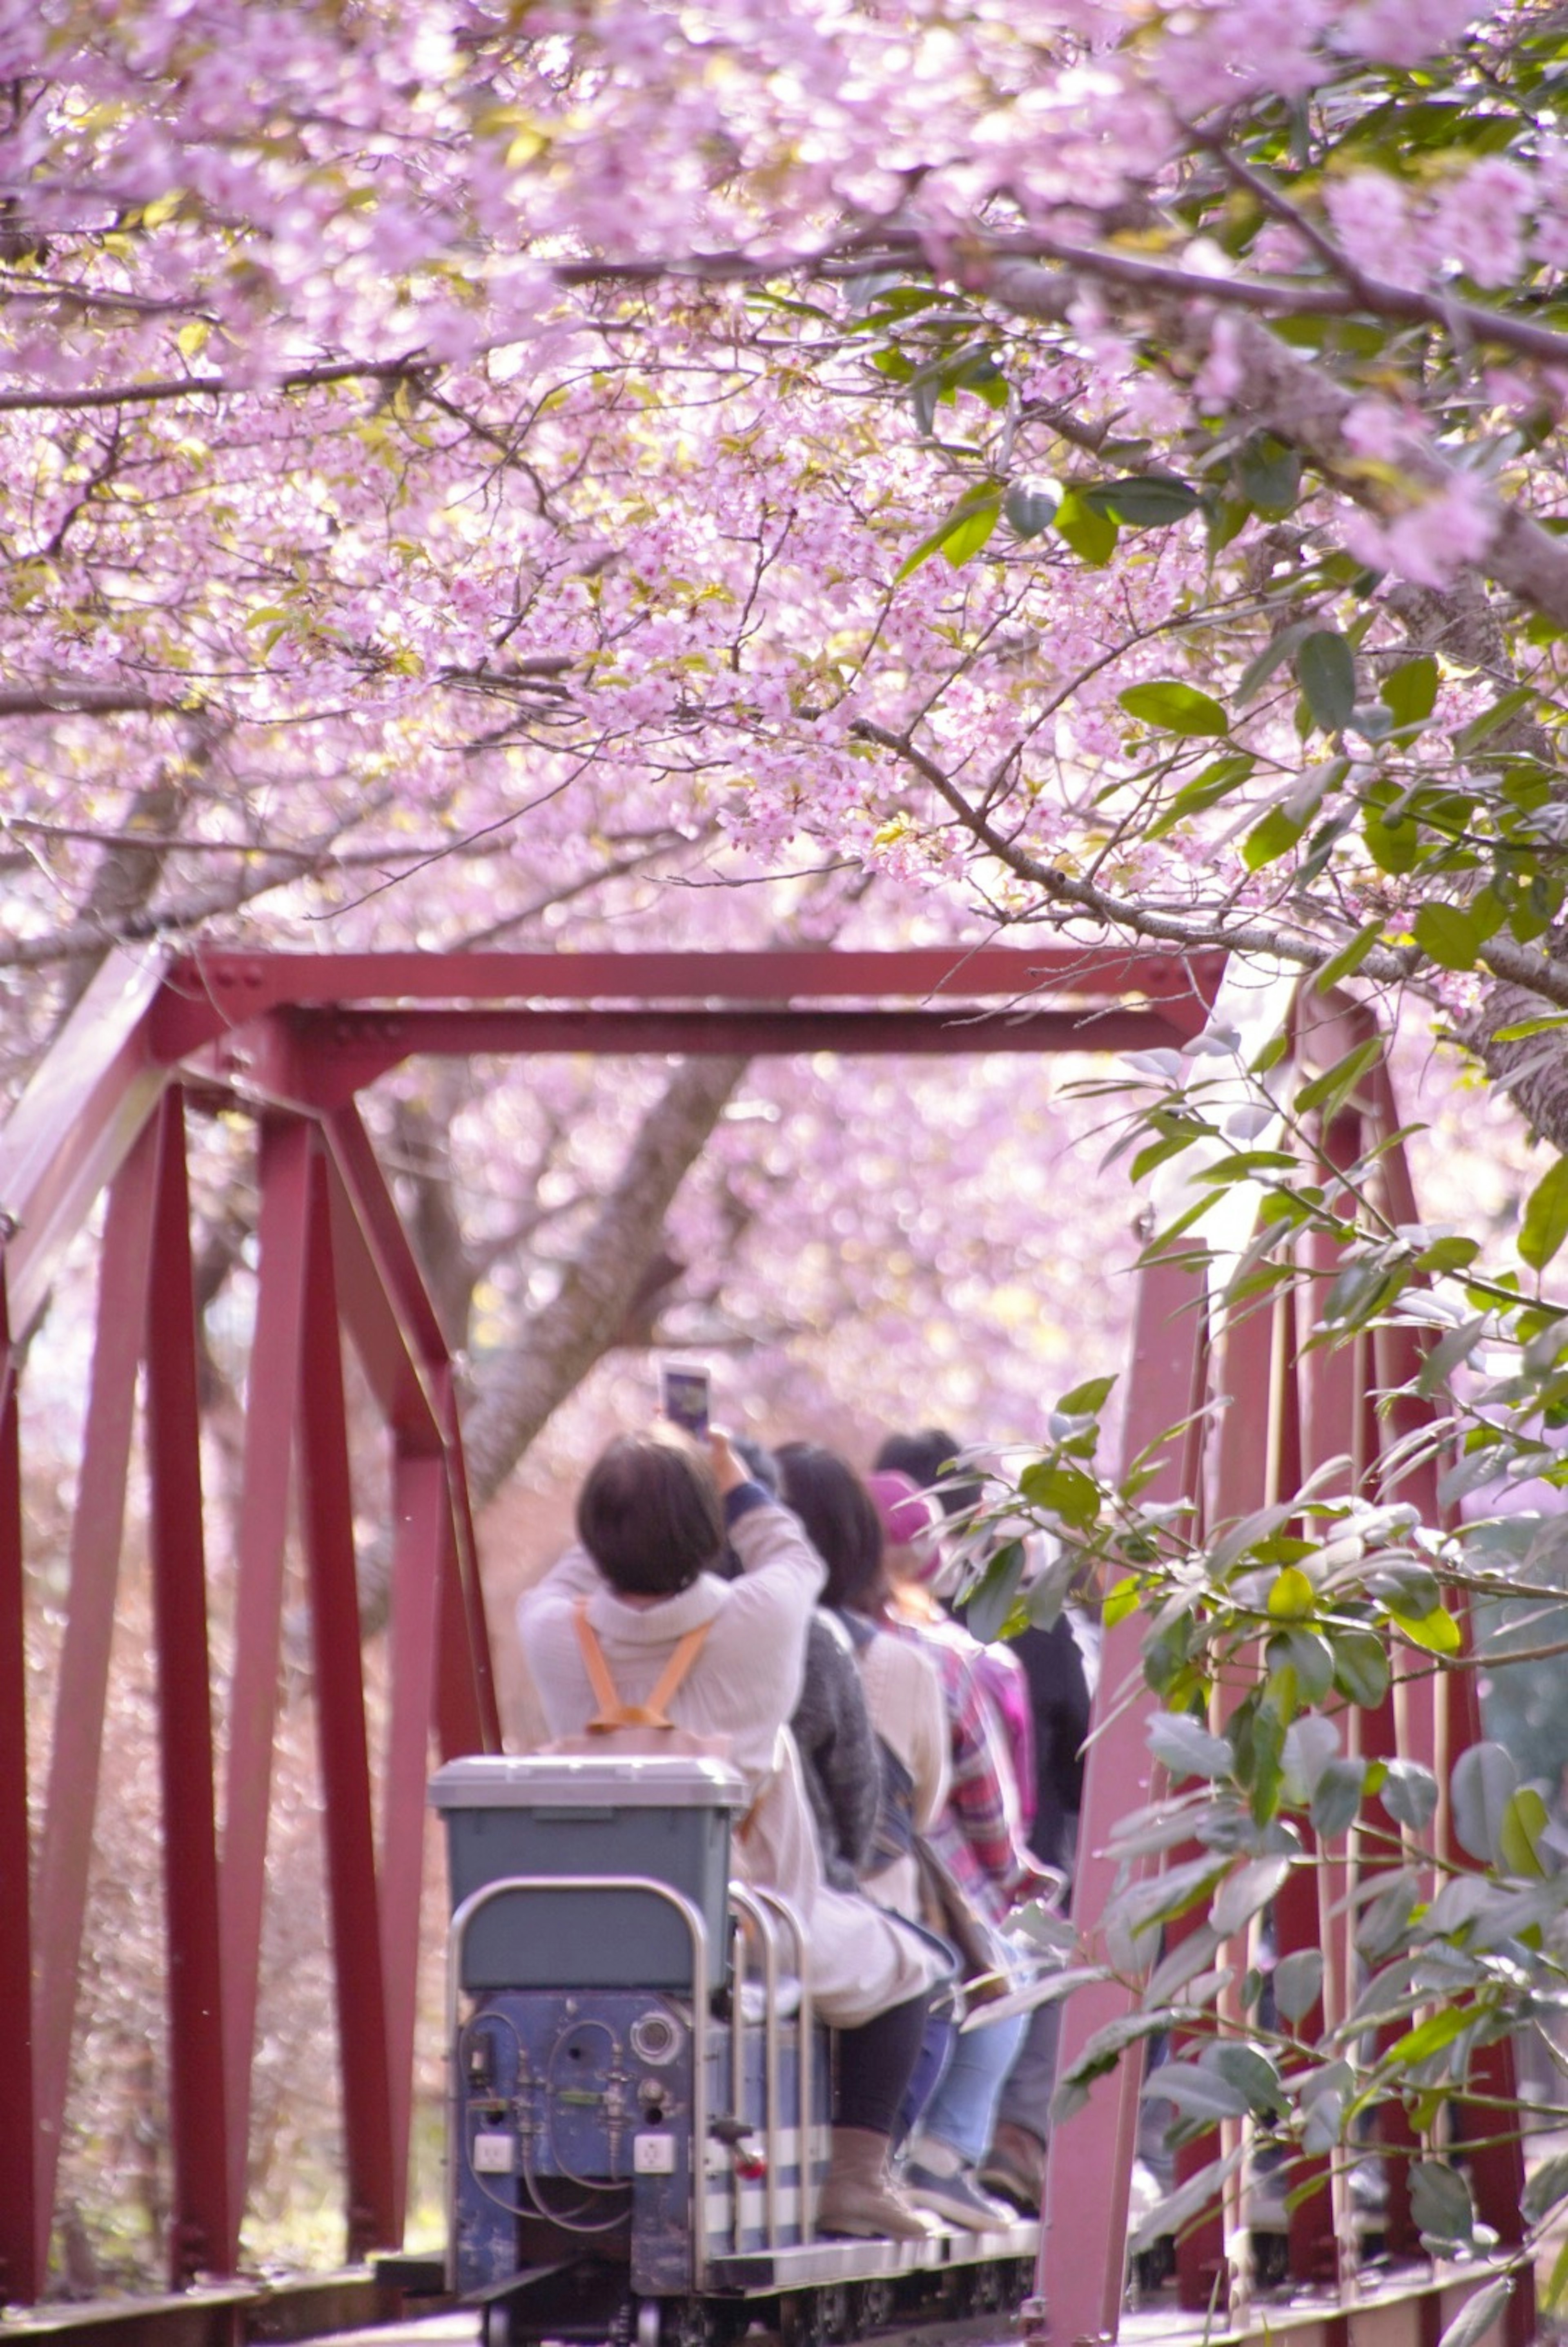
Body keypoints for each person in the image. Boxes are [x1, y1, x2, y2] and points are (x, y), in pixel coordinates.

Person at [517, 1426, 943, 2240]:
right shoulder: (760, 1622)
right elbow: (792, 1551)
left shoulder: (550, 1631)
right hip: (744, 1924)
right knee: (905, 1963)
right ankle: (856, 2178)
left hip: (591, 1926)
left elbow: (574, 1569)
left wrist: (623, 1492)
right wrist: (731, 1477)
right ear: (709, 1535)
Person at [867, 1466, 1059, 2226]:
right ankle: (944, 2154)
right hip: (926, 1884)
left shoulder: (790, 1636)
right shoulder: (954, 1656)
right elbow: (986, 1807)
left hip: (800, 1887)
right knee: (1017, 1964)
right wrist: (1019, 1876)